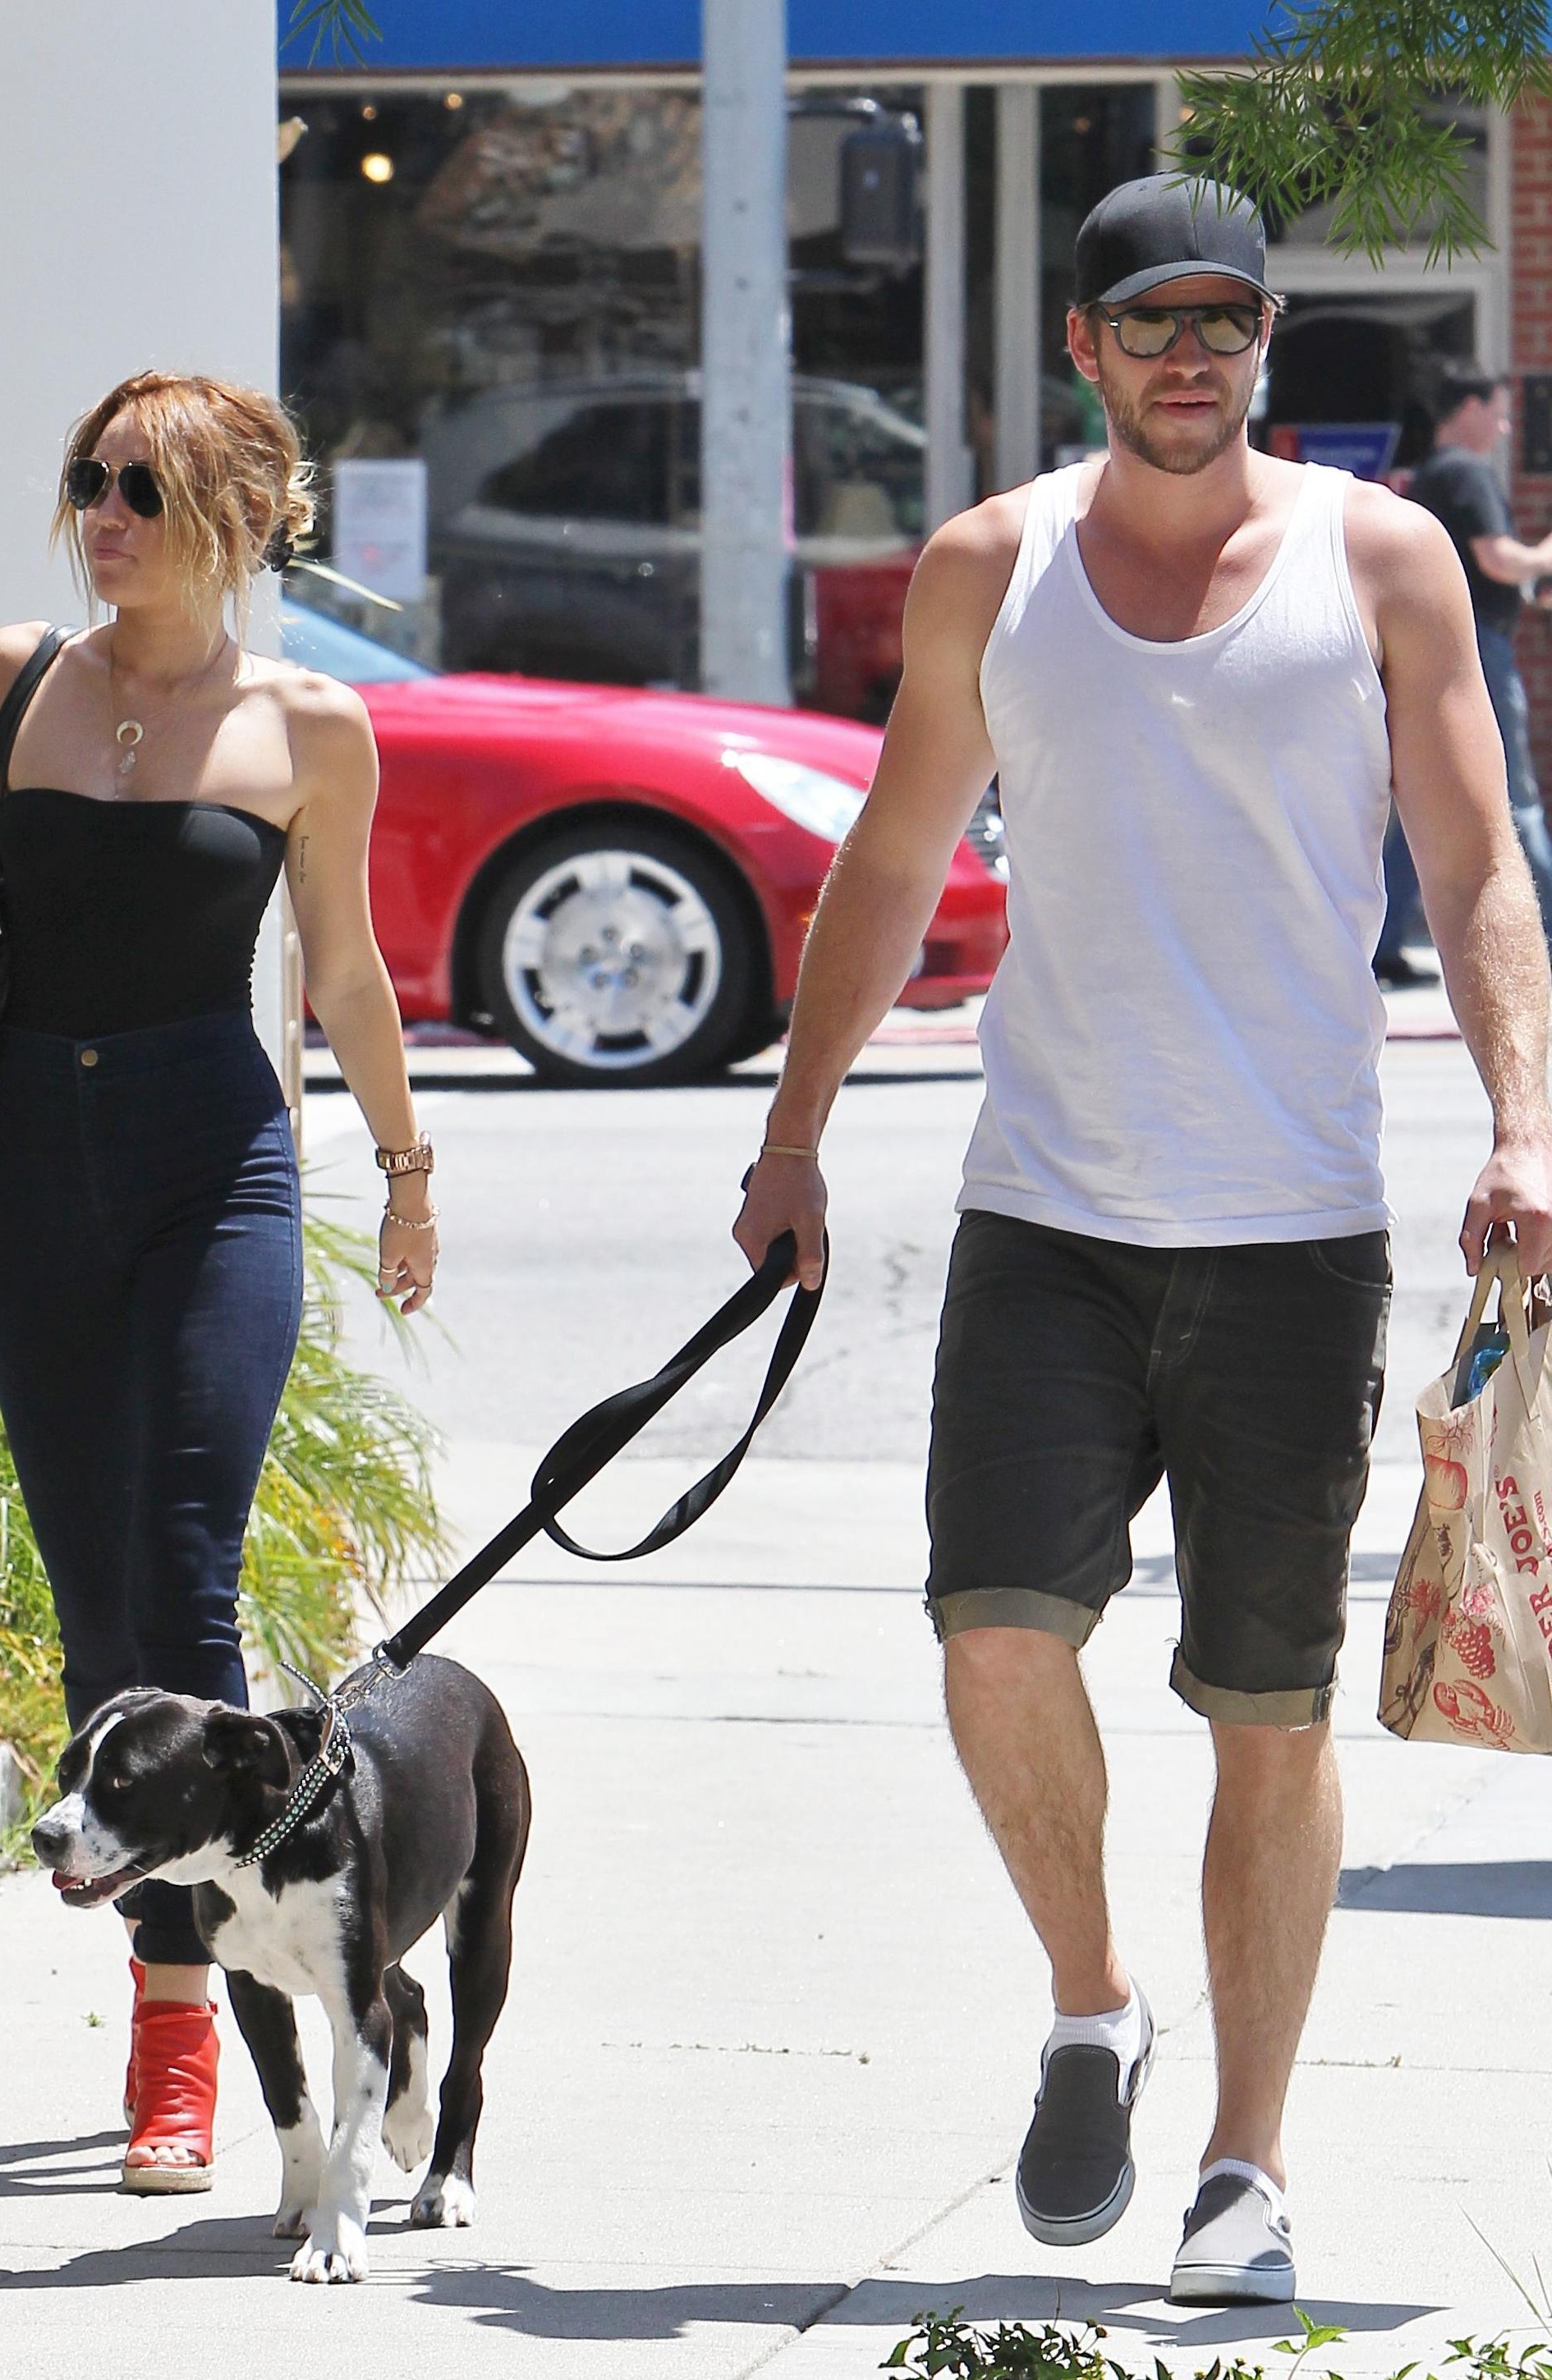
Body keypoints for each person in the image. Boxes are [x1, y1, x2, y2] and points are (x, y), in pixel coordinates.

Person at [735, 177, 1552, 2304]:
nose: (1188, 353)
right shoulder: (987, 570)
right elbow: (890, 863)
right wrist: (793, 1134)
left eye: (1222, 319)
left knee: (1265, 1709)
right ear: (1081, 346)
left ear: (1262, 340)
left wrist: (1522, 1114)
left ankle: (1244, 2168)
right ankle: (1091, 2003)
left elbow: (1473, 860)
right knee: (992, 1639)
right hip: (1046, 1210)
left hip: (1290, 1225)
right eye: (1147, 320)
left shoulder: (1379, 560)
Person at [0, 371, 440, 2194]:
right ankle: (183, 1985)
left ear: (241, 517)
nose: (105, 515)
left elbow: (347, 973)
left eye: (144, 488)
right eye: (91, 478)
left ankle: (212, 2026)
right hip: (33, 1178)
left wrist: (406, 1171)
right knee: (99, 1614)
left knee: (180, 1575)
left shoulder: (310, 724)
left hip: (211, 1166)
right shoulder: (20, 677)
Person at [1407, 367, 1552, 942]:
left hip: (1437, 649)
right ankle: (1547, 925)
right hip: (1479, 652)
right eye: (1498, 412)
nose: (1505, 426)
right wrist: (1545, 556)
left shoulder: (1433, 473)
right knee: (1514, 794)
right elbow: (1498, 560)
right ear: (1469, 408)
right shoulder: (1466, 471)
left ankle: (1385, 942)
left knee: (1419, 796)